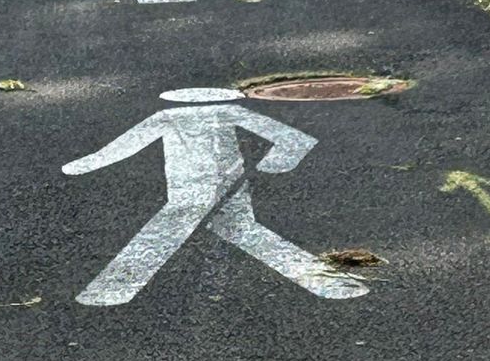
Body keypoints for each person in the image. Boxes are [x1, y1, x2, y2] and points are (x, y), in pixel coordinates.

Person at [63, 87, 370, 305]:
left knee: (186, 228)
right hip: (202, 183)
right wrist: (276, 162)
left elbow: (292, 140)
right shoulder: (201, 115)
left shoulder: (177, 116)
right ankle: (331, 283)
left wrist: (88, 163)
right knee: (231, 230)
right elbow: (292, 140)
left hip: (216, 183)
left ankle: (112, 288)